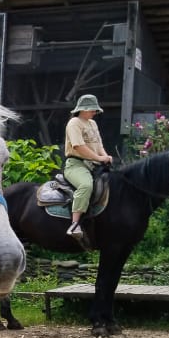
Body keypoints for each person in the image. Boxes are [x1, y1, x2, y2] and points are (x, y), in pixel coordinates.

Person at [64, 93, 113, 238]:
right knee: (86, 185)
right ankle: (74, 225)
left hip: (95, 165)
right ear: (83, 109)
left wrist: (105, 156)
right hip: (76, 165)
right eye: (92, 109)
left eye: (95, 109)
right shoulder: (74, 123)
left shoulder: (93, 124)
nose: (95, 112)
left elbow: (99, 145)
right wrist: (99, 157)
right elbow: (78, 146)